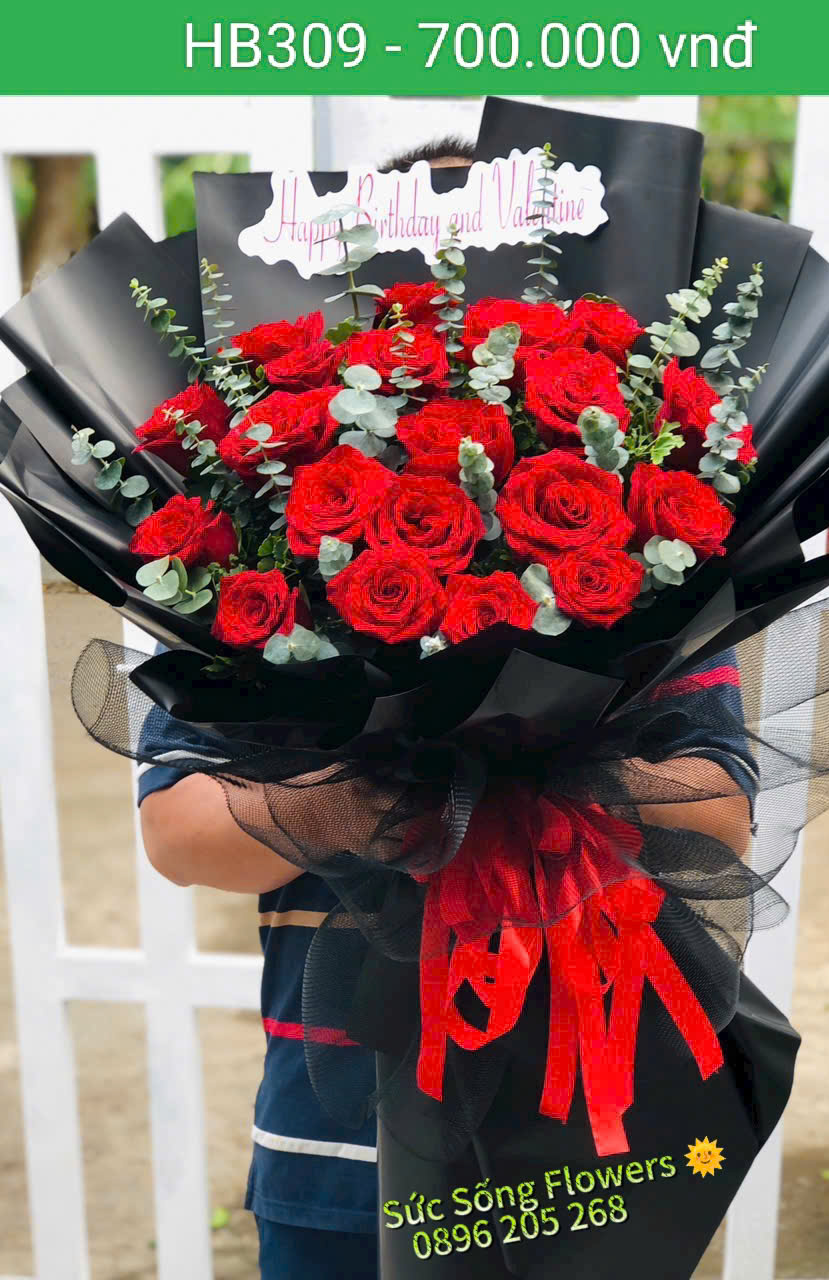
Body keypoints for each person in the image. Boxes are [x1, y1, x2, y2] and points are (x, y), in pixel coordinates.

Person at [138, 139, 756, 1280]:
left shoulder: (654, 574)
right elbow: (178, 832)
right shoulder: (246, 580)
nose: (455, 343)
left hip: (575, 1144)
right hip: (331, 1145)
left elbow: (719, 816)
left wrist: (529, 770)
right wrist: (390, 789)